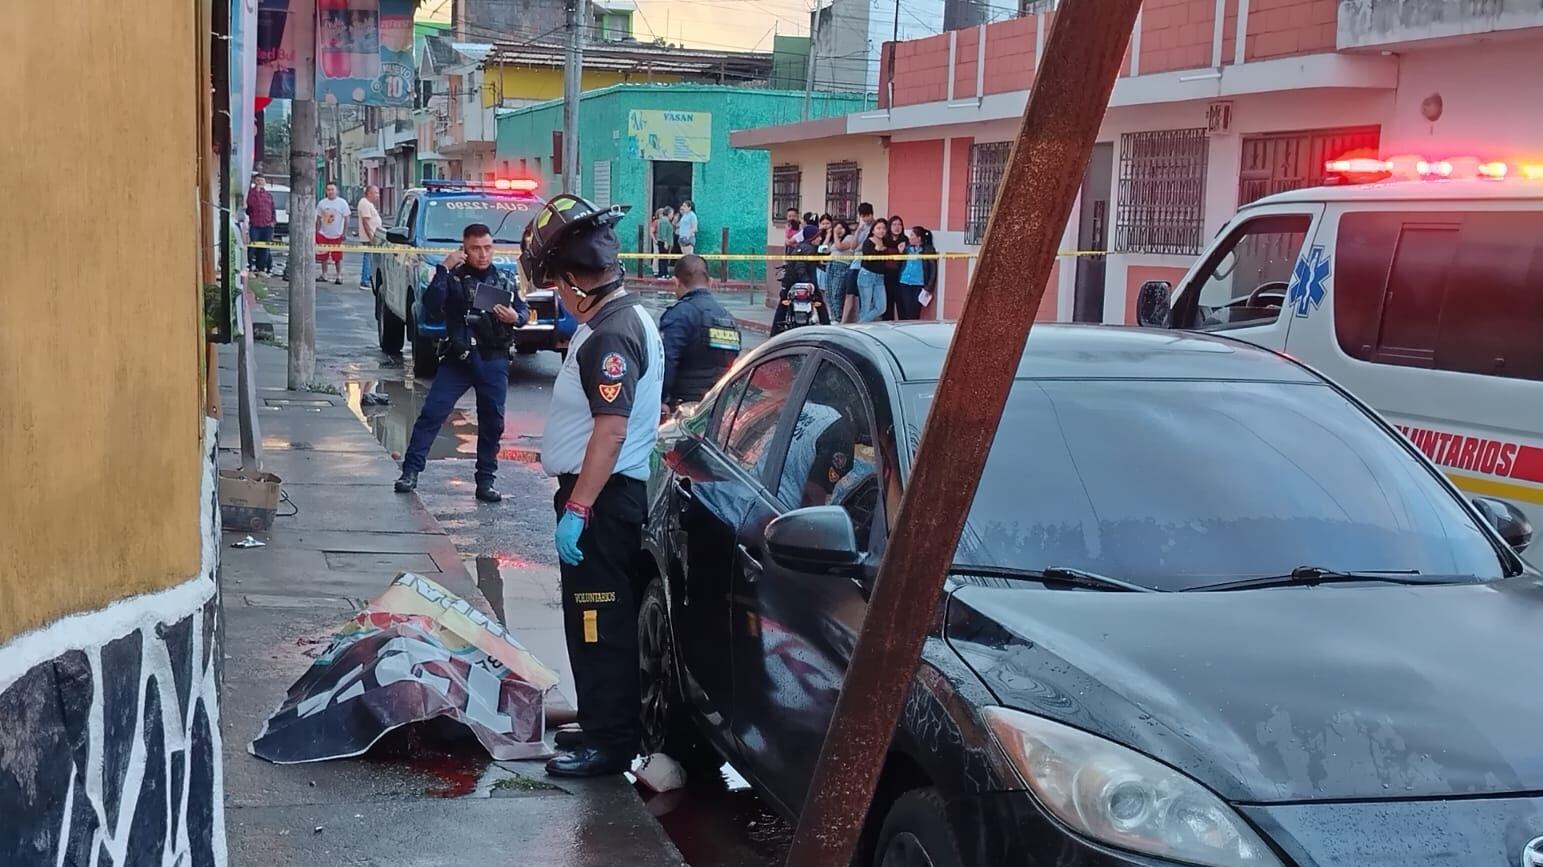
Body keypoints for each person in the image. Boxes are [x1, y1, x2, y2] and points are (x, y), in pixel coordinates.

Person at [521, 194, 664, 778]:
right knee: (595, 618)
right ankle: (604, 718)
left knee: (598, 619)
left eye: (558, 285)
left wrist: (579, 506)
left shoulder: (610, 334)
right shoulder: (618, 319)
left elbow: (610, 429)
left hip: (601, 499)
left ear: (577, 284)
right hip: (601, 496)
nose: (559, 296)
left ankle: (609, 744)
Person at [393, 223, 528, 502]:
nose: (482, 254)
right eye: (475, 249)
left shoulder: (504, 278)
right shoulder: (454, 279)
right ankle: (411, 471)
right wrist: (444, 267)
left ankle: (486, 481)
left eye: (487, 248)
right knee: (432, 414)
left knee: (493, 423)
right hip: (460, 359)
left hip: (494, 358)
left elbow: (524, 311)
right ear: (464, 250)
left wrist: (516, 318)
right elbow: (431, 304)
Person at [658, 254, 741, 414]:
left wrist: (661, 400)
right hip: (718, 409)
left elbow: (666, 361)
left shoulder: (679, 315)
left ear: (676, 282)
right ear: (710, 282)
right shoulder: (728, 319)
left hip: (681, 410)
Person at [772, 226, 831, 335]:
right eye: (818, 236)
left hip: (790, 281)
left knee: (783, 304)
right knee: (820, 304)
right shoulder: (809, 249)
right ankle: (827, 331)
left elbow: (816, 263)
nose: (820, 239)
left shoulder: (802, 247)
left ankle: (775, 332)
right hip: (802, 282)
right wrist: (808, 282)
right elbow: (800, 266)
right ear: (812, 237)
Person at [856, 218, 894, 322]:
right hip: (867, 275)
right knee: (865, 307)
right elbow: (867, 260)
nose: (881, 230)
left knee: (881, 307)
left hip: (880, 277)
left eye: (883, 228)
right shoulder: (868, 242)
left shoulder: (886, 242)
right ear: (873, 230)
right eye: (878, 228)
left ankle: (861, 323)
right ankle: (861, 328)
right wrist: (876, 250)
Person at [896, 225, 936, 321]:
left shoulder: (928, 250)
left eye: (912, 235)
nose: (910, 238)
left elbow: (933, 269)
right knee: (906, 309)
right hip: (905, 282)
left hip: (919, 284)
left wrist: (929, 287)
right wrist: (900, 253)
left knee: (914, 311)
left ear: (919, 238)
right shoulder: (907, 249)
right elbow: (899, 265)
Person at [315, 182, 351, 285]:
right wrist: (318, 232)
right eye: (328, 190)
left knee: (337, 257)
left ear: (336, 191)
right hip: (323, 234)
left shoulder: (342, 203)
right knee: (323, 256)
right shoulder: (322, 203)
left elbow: (347, 219)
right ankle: (324, 274)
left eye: (332, 189)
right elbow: (318, 218)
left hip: (337, 234)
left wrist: (344, 233)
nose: (330, 192)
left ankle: (339, 275)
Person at [824, 220, 857, 324]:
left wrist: (835, 234)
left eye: (841, 228)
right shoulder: (834, 240)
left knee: (837, 293)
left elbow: (840, 247)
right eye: (837, 228)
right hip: (831, 265)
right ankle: (832, 316)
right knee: (829, 292)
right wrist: (828, 236)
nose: (839, 231)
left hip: (842, 266)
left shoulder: (850, 238)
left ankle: (838, 318)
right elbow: (822, 250)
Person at [247, 176, 277, 275]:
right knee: (253, 247)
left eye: (262, 180)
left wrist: (273, 222)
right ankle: (250, 267)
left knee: (265, 248)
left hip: (267, 225)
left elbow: (272, 209)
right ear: (255, 181)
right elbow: (249, 205)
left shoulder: (268, 195)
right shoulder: (251, 194)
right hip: (255, 225)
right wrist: (256, 191)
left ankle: (261, 269)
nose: (260, 182)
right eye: (258, 180)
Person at [356, 185, 382, 290]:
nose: (378, 195)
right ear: (369, 193)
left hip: (372, 236)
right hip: (369, 237)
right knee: (368, 258)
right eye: (376, 193)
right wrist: (371, 236)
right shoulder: (365, 204)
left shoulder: (368, 204)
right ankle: (365, 280)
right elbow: (365, 222)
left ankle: (369, 278)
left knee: (371, 258)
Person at [884, 215, 907, 320]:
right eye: (894, 224)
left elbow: (904, 261)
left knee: (901, 303)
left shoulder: (905, 240)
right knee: (887, 303)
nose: (897, 227)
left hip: (900, 276)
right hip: (886, 275)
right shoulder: (884, 239)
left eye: (899, 224)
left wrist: (901, 252)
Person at [655, 206, 675, 278]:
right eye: (672, 213)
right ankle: (662, 273)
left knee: (665, 258)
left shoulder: (665, 221)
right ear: (669, 213)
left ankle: (665, 272)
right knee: (663, 258)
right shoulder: (664, 221)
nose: (672, 215)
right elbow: (663, 232)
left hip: (665, 242)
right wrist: (665, 242)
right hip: (663, 242)